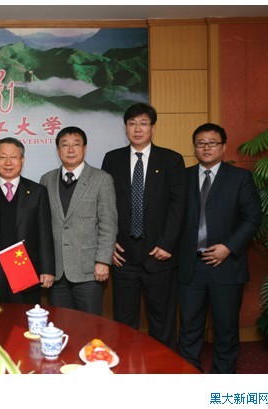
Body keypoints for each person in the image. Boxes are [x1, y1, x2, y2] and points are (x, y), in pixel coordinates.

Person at [178, 123, 261, 373]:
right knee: (189, 327)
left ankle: (222, 378)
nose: (206, 148)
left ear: (223, 147)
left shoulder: (240, 178)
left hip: (226, 265)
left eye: (212, 143)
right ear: (194, 147)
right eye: (201, 143)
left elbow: (253, 218)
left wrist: (228, 247)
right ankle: (189, 373)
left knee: (226, 328)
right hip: (190, 264)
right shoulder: (182, 177)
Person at [101, 102, 186, 349]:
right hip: (123, 255)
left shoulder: (171, 160)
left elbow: (178, 206)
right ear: (125, 127)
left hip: (159, 254)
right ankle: (124, 366)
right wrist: (109, 244)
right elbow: (105, 205)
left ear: (153, 127)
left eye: (143, 123)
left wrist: (167, 244)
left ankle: (163, 366)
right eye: (132, 124)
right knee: (124, 322)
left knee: (163, 321)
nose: (137, 129)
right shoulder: (112, 159)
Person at [40, 126, 117, 315]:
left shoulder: (101, 179)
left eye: (76, 144)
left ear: (85, 148)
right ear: (58, 150)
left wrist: (103, 261)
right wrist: (45, 266)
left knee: (90, 325)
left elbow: (108, 224)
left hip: (89, 271)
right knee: (60, 325)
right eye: (65, 145)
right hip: (56, 272)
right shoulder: (47, 180)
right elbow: (42, 227)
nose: (70, 150)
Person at [0, 137, 55, 304]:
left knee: (25, 318)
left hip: (25, 269)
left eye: (14, 157)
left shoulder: (37, 191)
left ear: (22, 160)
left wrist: (47, 270)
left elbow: (45, 234)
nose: (8, 162)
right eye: (3, 157)